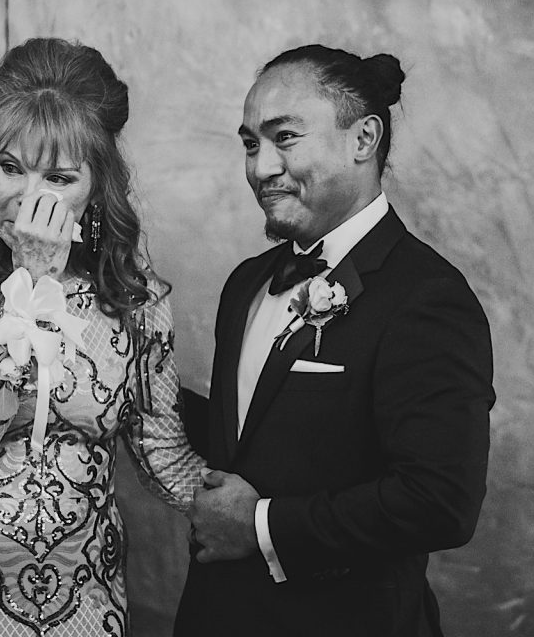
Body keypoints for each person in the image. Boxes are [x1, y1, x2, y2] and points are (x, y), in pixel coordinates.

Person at [0, 37, 204, 636]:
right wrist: (30, 278)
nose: (28, 199)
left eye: (58, 177)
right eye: (10, 167)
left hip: (83, 611)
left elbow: (162, 451)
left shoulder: (131, 292)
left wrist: (271, 515)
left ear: (97, 187)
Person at [174, 44, 495, 636]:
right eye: (250, 143)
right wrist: (125, 384)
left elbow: (440, 502)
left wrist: (261, 527)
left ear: (363, 139)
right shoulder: (246, 283)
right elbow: (253, 438)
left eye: (285, 137)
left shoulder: (427, 297)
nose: (261, 166)